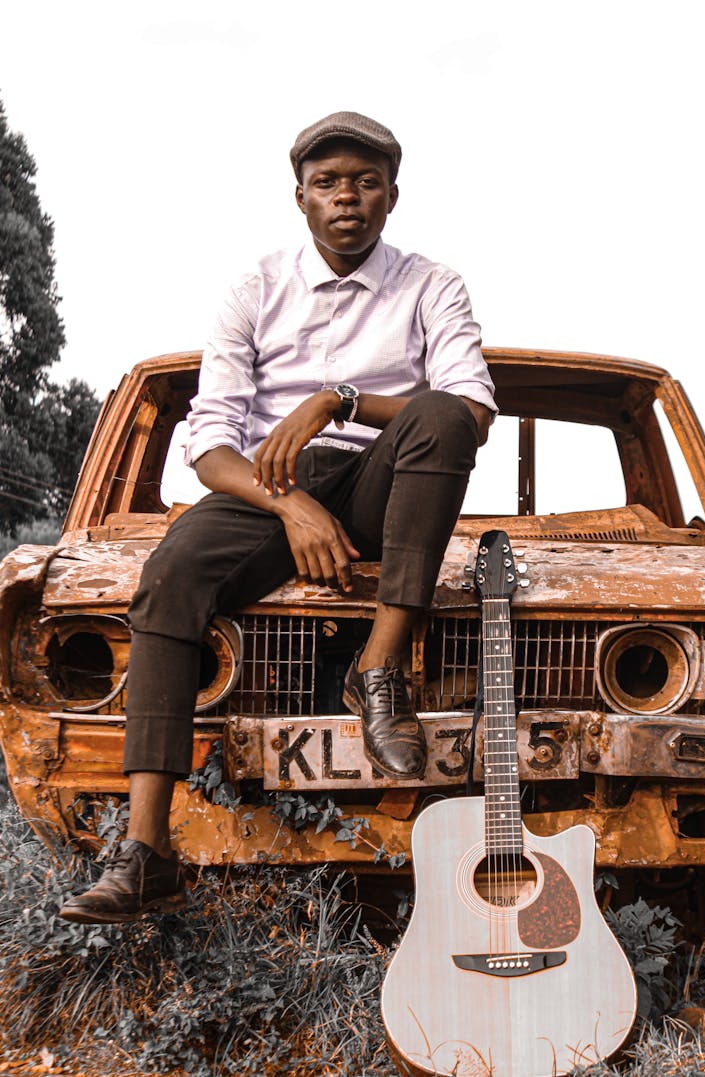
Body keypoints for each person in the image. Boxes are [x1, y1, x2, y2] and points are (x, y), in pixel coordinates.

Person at [60, 111, 497, 925]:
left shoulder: (431, 285)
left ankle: (380, 669)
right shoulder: (255, 289)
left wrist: (340, 400)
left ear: (392, 196)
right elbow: (210, 440)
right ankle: (146, 849)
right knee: (168, 576)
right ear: (299, 196)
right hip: (265, 489)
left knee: (437, 412)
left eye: (366, 183)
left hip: (385, 484)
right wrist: (290, 502)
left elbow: (471, 411)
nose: (347, 198)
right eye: (328, 182)